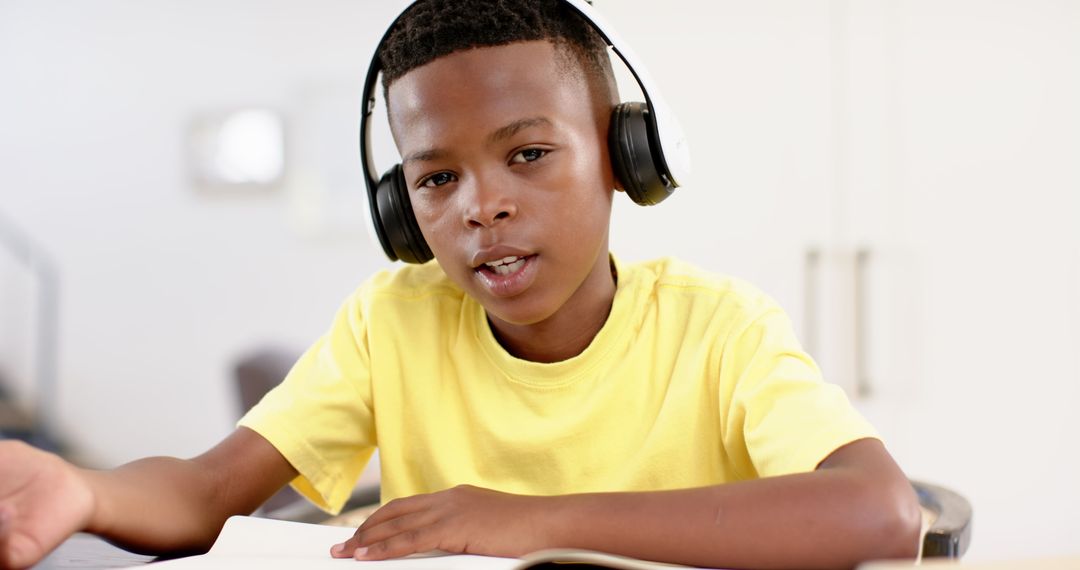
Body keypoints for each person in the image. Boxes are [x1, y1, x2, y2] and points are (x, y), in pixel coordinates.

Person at [0, 1, 922, 568]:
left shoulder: (719, 329)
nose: (481, 208)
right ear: (402, 209)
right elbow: (206, 491)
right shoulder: (390, 325)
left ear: (622, 157)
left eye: (528, 154)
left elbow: (877, 512)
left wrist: (530, 523)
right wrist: (85, 491)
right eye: (436, 179)